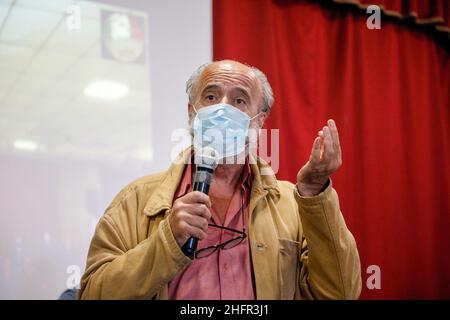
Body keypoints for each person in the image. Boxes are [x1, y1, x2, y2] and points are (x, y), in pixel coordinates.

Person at [78, 60, 361, 300]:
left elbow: (341, 292)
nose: (223, 109)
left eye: (239, 100)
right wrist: (166, 241)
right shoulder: (136, 199)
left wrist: (314, 194)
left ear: (259, 121)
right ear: (192, 111)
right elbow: (92, 292)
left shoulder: (292, 204)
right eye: (211, 97)